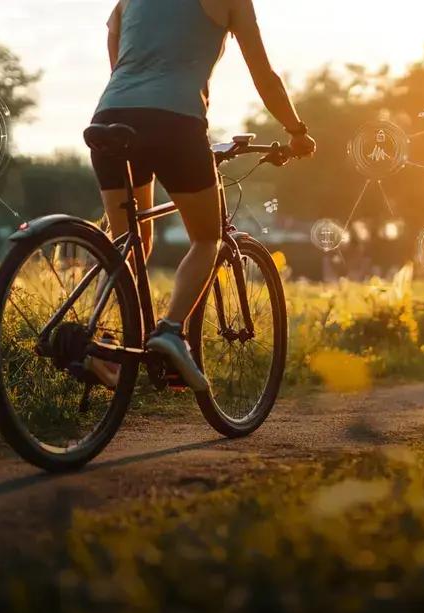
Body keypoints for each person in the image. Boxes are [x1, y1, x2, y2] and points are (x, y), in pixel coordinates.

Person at [87, 0, 316, 391]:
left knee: (127, 240)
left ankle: (97, 340)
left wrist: (131, 86)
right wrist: (297, 130)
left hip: (112, 115)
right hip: (175, 121)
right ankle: (171, 330)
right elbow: (264, 75)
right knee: (207, 237)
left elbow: (113, 31)